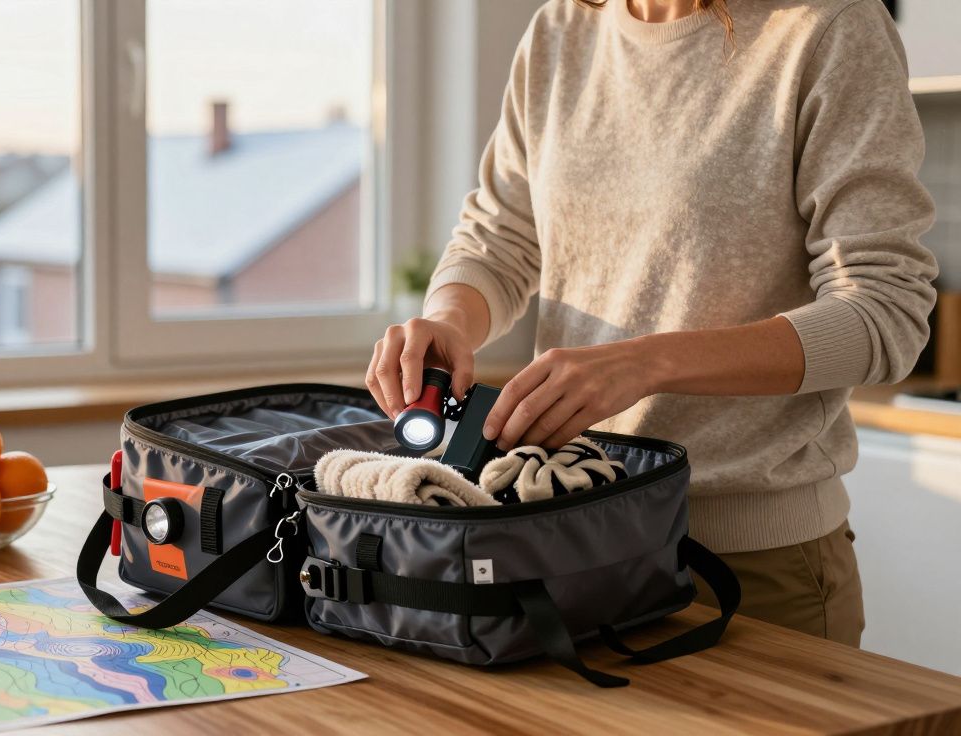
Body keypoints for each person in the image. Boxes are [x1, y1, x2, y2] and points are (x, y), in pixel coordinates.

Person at [365, 0, 937, 647]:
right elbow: (501, 239)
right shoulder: (561, 29)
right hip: (571, 543)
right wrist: (449, 321)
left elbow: (886, 311)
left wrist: (647, 362)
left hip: (751, 568)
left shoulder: (829, 28)